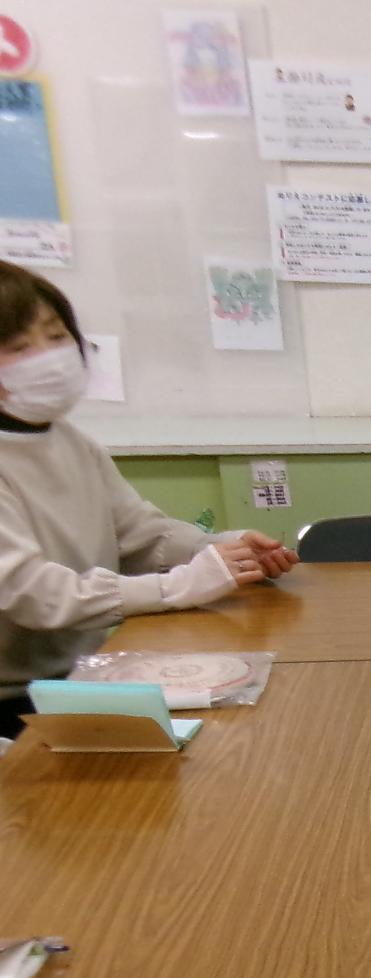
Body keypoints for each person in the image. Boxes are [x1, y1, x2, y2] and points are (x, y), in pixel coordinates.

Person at [0, 262, 297, 738]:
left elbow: (142, 536)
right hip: (18, 701)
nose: (49, 357)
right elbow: (37, 596)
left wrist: (223, 550)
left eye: (56, 336)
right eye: (19, 347)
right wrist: (179, 586)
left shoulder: (72, 442)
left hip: (91, 672)